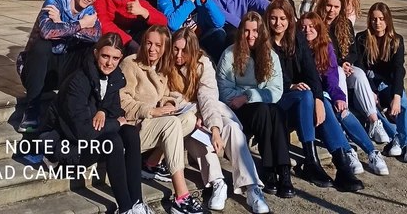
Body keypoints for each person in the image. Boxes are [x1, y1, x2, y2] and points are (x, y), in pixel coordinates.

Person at [29, 33, 150, 214]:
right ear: (96, 53)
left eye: (115, 58)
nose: (109, 63)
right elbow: (83, 132)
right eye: (105, 56)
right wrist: (115, 123)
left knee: (131, 133)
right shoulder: (77, 83)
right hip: (63, 147)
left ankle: (137, 203)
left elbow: (115, 111)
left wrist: (103, 111)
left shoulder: (113, 77)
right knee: (113, 141)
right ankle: (125, 209)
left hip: (87, 137)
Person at [266, 0, 363, 193]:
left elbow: (311, 71)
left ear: (289, 19)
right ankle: (311, 161)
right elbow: (267, 76)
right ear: (268, 19)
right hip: (276, 99)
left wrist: (319, 98)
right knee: (306, 95)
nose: (278, 23)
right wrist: (291, 86)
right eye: (274, 18)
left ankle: (342, 165)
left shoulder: (297, 38)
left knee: (322, 102)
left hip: (302, 99)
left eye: (283, 18)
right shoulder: (265, 41)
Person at [170, 28, 269, 214]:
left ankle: (252, 187)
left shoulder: (203, 63)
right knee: (197, 133)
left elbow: (208, 95)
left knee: (232, 127)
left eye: (184, 50)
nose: (179, 55)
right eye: (175, 49)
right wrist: (197, 112)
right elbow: (173, 98)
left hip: (211, 109)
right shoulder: (167, 66)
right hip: (187, 115)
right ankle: (217, 182)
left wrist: (215, 129)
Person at [120, 25, 204, 214]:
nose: (152, 49)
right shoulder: (130, 63)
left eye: (158, 45)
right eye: (149, 43)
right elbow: (122, 101)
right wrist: (151, 110)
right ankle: (181, 198)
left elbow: (165, 94)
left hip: (154, 124)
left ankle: (151, 164)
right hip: (133, 128)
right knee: (172, 124)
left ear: (165, 47)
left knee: (189, 119)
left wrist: (169, 103)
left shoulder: (162, 69)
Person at [299, 12, 389, 177]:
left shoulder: (325, 47)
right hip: (308, 95)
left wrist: (338, 97)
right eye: (303, 27)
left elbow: (332, 76)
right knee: (330, 112)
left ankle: (372, 152)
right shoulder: (296, 48)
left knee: (342, 110)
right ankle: (348, 152)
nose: (307, 30)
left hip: (324, 92)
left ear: (318, 28)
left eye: (311, 26)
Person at [216, 12, 293, 199]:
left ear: (262, 32)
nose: (251, 36)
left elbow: (275, 91)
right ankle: (268, 168)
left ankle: (283, 170)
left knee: (276, 111)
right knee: (263, 110)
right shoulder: (229, 55)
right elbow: (225, 92)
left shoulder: (270, 56)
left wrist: (248, 96)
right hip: (237, 111)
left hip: (259, 106)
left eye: (255, 31)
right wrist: (247, 98)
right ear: (241, 32)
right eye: (247, 31)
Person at [16, 0, 105, 132]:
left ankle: (89, 104)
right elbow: (47, 31)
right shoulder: (55, 1)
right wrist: (81, 24)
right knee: (42, 44)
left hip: (63, 73)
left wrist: (61, 24)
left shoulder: (90, 13)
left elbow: (96, 36)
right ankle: (32, 109)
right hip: (36, 72)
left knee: (92, 48)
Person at [315, 0, 388, 145]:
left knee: (359, 74)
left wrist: (346, 62)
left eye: (336, 7)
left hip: (345, 67)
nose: (332, 10)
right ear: (322, 5)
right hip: (325, 72)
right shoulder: (316, 24)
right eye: (329, 5)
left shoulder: (345, 24)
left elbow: (353, 52)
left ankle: (374, 121)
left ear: (341, 8)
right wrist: (340, 64)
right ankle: (344, 120)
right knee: (339, 72)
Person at [355, 3, 407, 164]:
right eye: (374, 19)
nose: (377, 23)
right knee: (370, 104)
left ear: (388, 20)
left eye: (381, 19)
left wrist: (397, 96)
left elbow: (399, 70)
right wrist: (371, 90)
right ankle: (398, 137)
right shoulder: (362, 38)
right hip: (369, 83)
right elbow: (360, 67)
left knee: (402, 101)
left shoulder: (396, 40)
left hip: (387, 84)